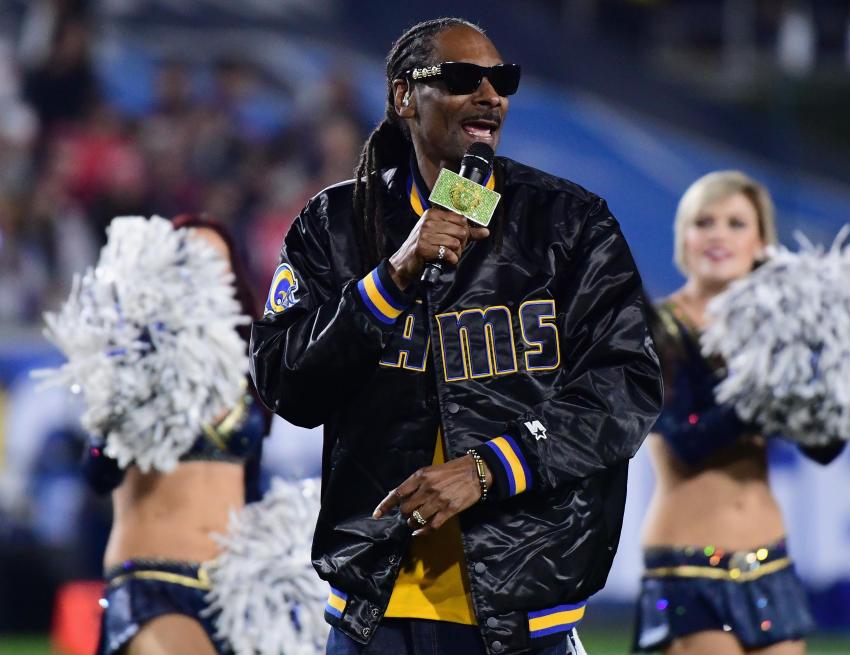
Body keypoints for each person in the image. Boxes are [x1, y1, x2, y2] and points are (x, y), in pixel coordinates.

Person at [249, 17, 662, 655]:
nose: (490, 95)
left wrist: (489, 467)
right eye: (464, 78)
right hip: (377, 612)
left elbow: (625, 385)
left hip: (525, 616)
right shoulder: (336, 225)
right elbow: (286, 385)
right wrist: (390, 279)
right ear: (403, 97)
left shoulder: (569, 224)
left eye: (502, 80)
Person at [633, 171, 843, 655]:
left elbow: (824, 449)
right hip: (689, 569)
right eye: (704, 222)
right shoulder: (657, 327)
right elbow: (684, 440)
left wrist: (839, 389)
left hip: (771, 562)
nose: (719, 235)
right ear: (683, 237)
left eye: (736, 223)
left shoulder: (773, 334)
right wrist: (759, 387)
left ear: (763, 241)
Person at [83, 215, 268, 655]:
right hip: (152, 582)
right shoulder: (131, 360)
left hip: (233, 592)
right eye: (189, 259)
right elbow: (96, 475)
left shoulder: (251, 375)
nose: (201, 272)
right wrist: (114, 417)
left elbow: (249, 488)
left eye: (213, 261)